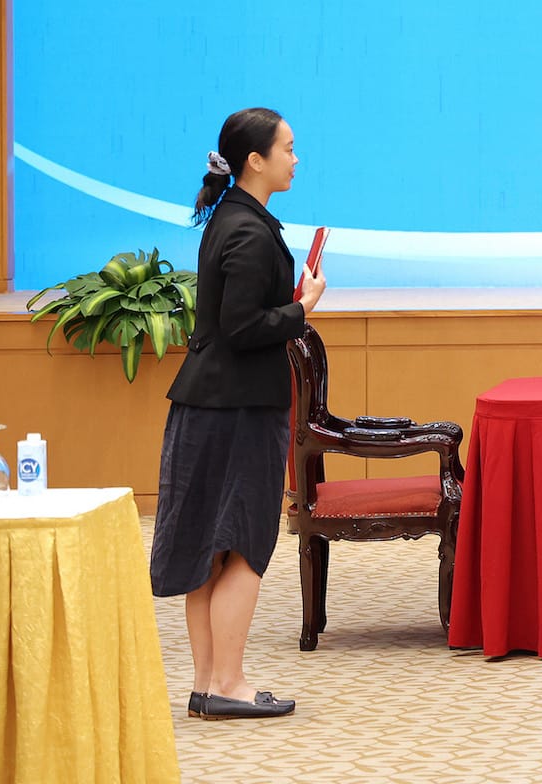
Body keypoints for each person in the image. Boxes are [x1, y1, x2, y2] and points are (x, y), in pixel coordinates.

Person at [149, 108, 324, 720]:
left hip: (209, 405)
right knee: (244, 545)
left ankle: (208, 683)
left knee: (209, 549)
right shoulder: (248, 231)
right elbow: (244, 326)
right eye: (289, 147)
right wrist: (302, 308)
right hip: (239, 410)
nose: (295, 158)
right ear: (257, 159)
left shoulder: (232, 217)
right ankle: (227, 682)